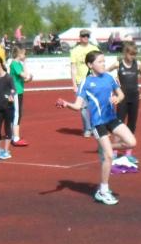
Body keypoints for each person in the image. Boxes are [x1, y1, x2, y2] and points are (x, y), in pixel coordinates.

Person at [56, 51, 136, 205]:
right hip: (98, 123)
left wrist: (117, 98)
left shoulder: (109, 78)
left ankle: (105, 147)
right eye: (100, 62)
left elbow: (121, 95)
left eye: (104, 61)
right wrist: (66, 104)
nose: (103, 64)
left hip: (111, 119)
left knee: (131, 142)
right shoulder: (86, 83)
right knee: (109, 156)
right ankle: (103, 191)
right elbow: (78, 106)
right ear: (90, 65)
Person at [108, 41, 141, 161]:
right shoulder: (118, 64)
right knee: (118, 124)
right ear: (125, 53)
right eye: (131, 54)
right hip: (122, 98)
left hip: (134, 97)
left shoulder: (138, 64)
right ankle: (114, 151)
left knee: (132, 124)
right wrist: (114, 81)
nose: (133, 57)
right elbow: (105, 72)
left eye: (134, 54)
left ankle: (128, 152)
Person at [70, 28, 100, 137]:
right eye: (83, 36)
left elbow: (99, 64)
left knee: (95, 106)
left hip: (94, 81)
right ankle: (87, 128)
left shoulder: (94, 48)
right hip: (80, 82)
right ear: (80, 37)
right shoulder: (75, 51)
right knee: (83, 107)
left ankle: (96, 127)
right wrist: (74, 84)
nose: (85, 38)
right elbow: (73, 68)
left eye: (87, 36)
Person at [9, 46, 33, 146]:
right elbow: (25, 75)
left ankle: (13, 135)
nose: (25, 56)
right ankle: (16, 138)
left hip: (19, 91)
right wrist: (25, 64)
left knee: (16, 113)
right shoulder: (15, 64)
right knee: (17, 114)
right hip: (16, 92)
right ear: (19, 54)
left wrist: (28, 77)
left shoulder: (18, 64)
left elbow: (24, 79)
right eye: (24, 54)